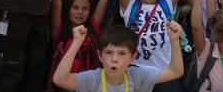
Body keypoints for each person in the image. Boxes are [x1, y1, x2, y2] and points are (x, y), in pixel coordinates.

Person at [51, 23, 186, 92]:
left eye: (122, 53)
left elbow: (175, 71)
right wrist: (76, 43)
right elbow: (59, 79)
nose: (114, 59)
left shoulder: (137, 76)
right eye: (109, 53)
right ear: (100, 56)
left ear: (133, 57)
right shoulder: (92, 79)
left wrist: (174, 41)